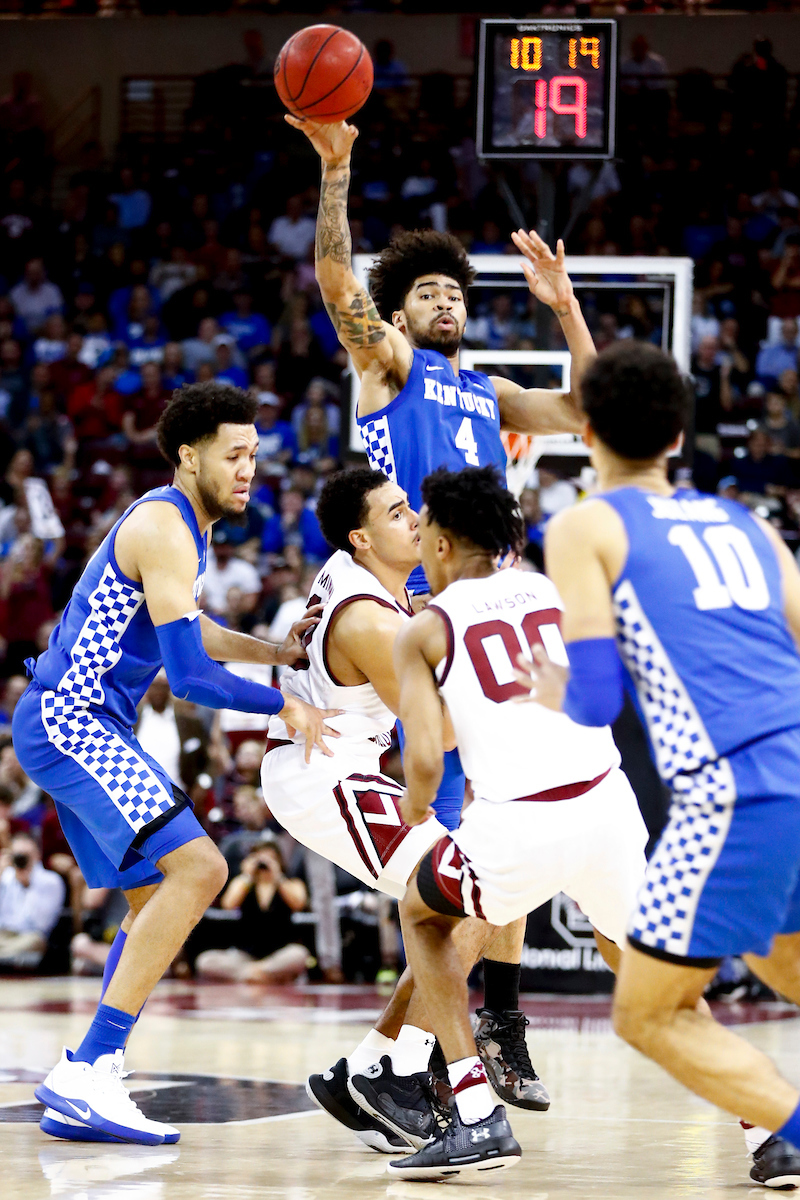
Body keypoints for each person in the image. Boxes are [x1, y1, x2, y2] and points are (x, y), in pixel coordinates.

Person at [290, 112, 598, 1096]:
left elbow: (593, 413)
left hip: (484, 613)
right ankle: (441, 1048)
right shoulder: (388, 366)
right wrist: (336, 171)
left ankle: (462, 1036)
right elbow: (337, 284)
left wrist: (562, 308)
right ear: (400, 311)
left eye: (455, 290)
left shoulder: (489, 387)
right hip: (412, 625)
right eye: (425, 289)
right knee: (461, 857)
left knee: (499, 842)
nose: (445, 300)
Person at [11, 381, 339, 1147]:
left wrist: (276, 654)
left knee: (154, 896)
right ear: (189, 456)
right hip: (73, 718)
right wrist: (282, 704)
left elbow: (190, 633)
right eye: (235, 454)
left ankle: (91, 1075)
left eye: (255, 453)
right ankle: (87, 1068)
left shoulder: (186, 525)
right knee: (202, 869)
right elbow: (188, 676)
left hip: (85, 723)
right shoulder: (164, 525)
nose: (249, 467)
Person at [515, 340, 800, 1189]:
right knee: (781, 960)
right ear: (678, 435)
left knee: (648, 1013)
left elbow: (599, 699)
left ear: (585, 429)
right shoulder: (746, 522)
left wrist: (551, 686)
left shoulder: (583, 525)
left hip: (735, 787)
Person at [374, 465, 646, 1179]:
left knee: (422, 912)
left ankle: (474, 1112)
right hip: (608, 802)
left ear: (439, 542)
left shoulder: (424, 627)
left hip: (520, 824)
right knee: (651, 962)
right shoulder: (551, 588)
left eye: (423, 522)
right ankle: (768, 1130)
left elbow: (429, 763)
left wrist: (409, 811)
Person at [263, 467, 541, 1155]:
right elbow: (437, 732)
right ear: (361, 538)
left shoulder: (361, 575)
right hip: (323, 777)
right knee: (475, 894)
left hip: (334, 765)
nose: (413, 519)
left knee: (474, 896)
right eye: (394, 514)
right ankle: (403, 1070)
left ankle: (369, 1068)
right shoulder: (368, 620)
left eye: (409, 507)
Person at [195, 836, 309, 984]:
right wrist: (247, 875)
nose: (264, 864)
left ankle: (253, 974)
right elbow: (228, 903)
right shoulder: (244, 883)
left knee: (299, 954)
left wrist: (277, 876)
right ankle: (261, 975)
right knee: (205, 961)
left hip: (279, 953)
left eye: (271, 859)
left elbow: (299, 903)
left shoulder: (290, 882)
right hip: (244, 955)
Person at [0, 831, 65, 968]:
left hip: (28, 937)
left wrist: (27, 885)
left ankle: (4, 956)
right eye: (17, 855)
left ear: (37, 855)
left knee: (35, 941)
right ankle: (6, 956)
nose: (21, 860)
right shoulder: (5, 877)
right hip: (3, 936)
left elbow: (41, 924)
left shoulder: (50, 881)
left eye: (25, 855)